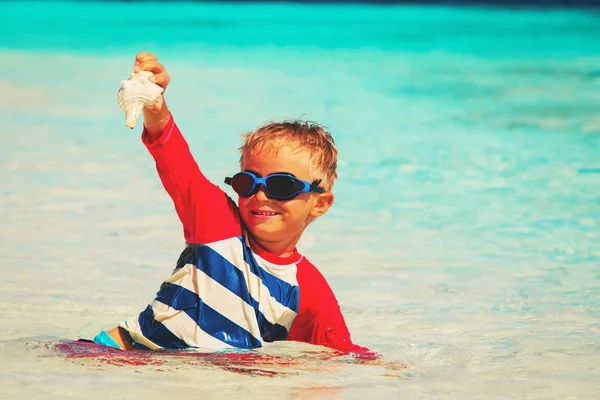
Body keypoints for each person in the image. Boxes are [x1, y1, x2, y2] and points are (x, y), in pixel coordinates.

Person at [93, 52, 372, 357]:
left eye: (281, 186)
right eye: (247, 183)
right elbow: (175, 160)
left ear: (320, 204)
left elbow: (340, 354)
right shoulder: (217, 223)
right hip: (120, 354)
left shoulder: (308, 289)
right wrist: (155, 105)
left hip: (188, 376)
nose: (260, 195)